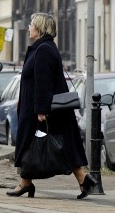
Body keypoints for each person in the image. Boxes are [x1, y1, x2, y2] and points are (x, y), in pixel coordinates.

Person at [7, 13, 97, 199]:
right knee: (56, 145)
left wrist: (41, 109)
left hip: (43, 110)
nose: (28, 27)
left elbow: (43, 81)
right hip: (38, 108)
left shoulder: (44, 50)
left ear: (40, 29)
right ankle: (80, 180)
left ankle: (81, 178)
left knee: (48, 145)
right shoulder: (42, 47)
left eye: (31, 24)